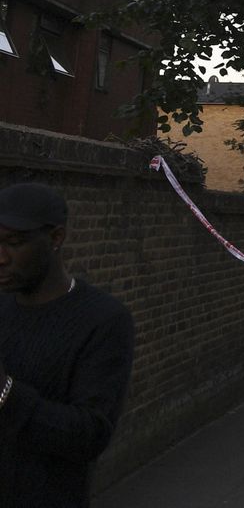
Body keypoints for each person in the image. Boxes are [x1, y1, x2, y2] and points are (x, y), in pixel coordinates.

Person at [0, 181, 136, 508]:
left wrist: (5, 393)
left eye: (14, 243)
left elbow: (90, 434)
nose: (0, 257)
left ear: (55, 238)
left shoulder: (103, 320)